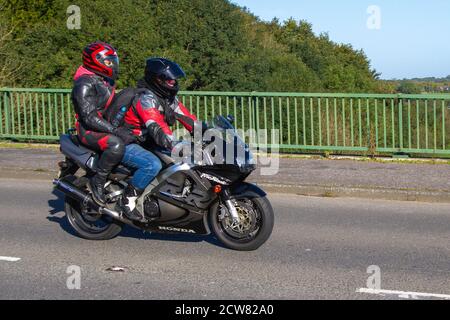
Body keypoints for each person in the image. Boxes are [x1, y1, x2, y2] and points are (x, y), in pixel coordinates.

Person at [112, 58, 200, 219]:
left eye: (174, 79)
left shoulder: (167, 98)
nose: (173, 82)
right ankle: (127, 200)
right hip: (127, 141)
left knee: (182, 159)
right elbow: (157, 128)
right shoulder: (146, 99)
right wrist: (176, 146)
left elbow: (188, 119)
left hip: (146, 142)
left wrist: (211, 135)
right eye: (168, 79)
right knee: (151, 165)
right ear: (157, 79)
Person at [71, 41, 136, 205]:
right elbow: (89, 117)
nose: (112, 65)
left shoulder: (103, 80)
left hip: (102, 123)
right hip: (88, 130)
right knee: (116, 145)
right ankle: (98, 181)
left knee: (130, 93)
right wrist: (114, 130)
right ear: (95, 61)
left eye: (113, 61)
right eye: (108, 62)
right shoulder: (84, 83)